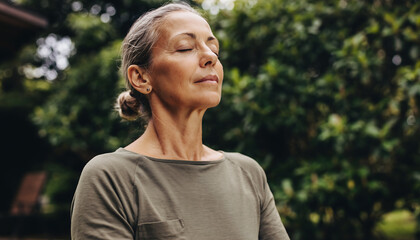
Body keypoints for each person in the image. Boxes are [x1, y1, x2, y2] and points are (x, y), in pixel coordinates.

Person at [70, 2, 290, 240]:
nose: (210, 57)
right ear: (141, 77)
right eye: (185, 48)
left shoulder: (248, 173)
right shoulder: (110, 177)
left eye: (214, 49)